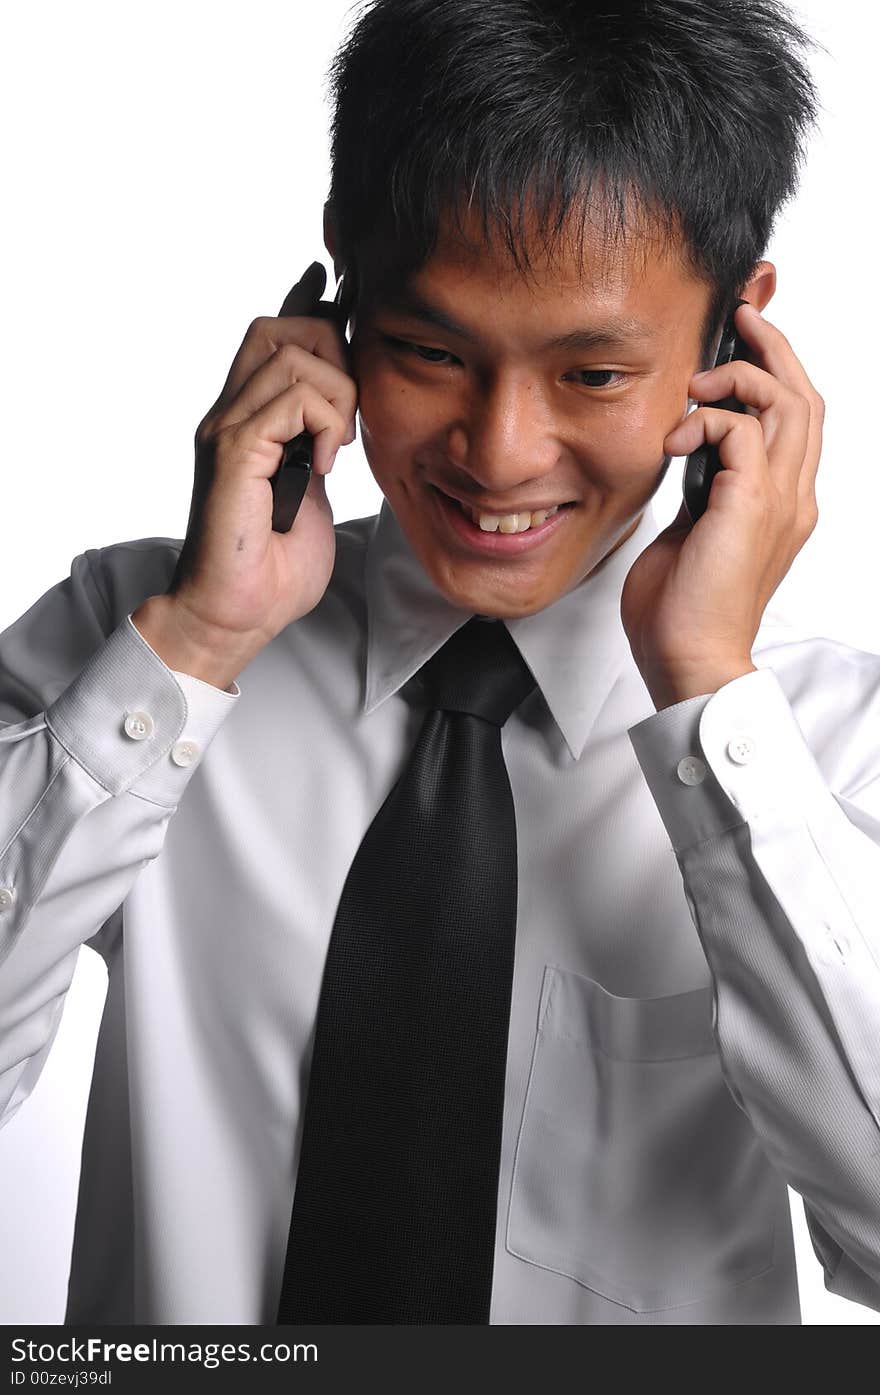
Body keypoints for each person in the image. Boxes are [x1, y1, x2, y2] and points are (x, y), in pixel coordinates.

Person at [1, 0, 878, 1326]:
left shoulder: (828, 749)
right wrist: (197, 641)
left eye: (591, 373)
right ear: (339, 282)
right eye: (428, 352)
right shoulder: (131, 650)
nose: (500, 452)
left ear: (736, 333)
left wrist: (708, 695)